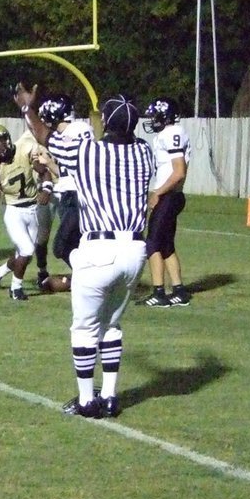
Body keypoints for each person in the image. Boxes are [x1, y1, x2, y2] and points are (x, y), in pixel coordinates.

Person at [61, 94, 155, 419]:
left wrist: (29, 110)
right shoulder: (145, 153)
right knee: (111, 325)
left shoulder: (89, 150)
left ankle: (88, 400)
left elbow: (50, 140)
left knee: (84, 328)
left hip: (99, 247)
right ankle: (111, 395)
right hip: (134, 250)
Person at [16, 84, 93, 270]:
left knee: (61, 247)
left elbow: (41, 134)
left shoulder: (76, 130)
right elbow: (68, 171)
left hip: (77, 197)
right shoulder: (71, 132)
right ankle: (88, 275)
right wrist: (49, 164)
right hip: (70, 196)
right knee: (73, 245)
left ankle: (89, 275)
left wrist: (27, 108)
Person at [0, 124, 52, 301]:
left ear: (7, 138)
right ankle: (15, 289)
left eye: (0, 140)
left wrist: (46, 189)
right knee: (27, 250)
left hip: (33, 209)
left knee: (22, 255)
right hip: (14, 211)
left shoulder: (24, 148)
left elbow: (43, 171)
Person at [139, 97, 193, 308]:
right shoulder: (170, 134)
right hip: (171, 195)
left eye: (155, 115)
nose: (152, 119)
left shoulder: (171, 133)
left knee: (152, 243)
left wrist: (158, 193)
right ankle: (179, 290)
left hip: (169, 196)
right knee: (166, 244)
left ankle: (159, 292)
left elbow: (178, 171)